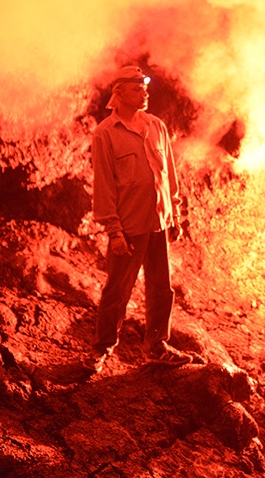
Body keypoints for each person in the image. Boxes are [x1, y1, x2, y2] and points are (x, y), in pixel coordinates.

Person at [88, 64, 189, 372]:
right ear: (118, 93)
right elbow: (104, 186)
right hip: (129, 228)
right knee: (117, 290)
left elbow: (168, 174)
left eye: (145, 88)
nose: (144, 93)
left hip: (159, 222)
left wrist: (176, 215)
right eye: (136, 88)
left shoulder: (157, 126)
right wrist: (114, 232)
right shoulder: (105, 134)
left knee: (162, 289)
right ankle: (102, 349)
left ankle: (157, 345)